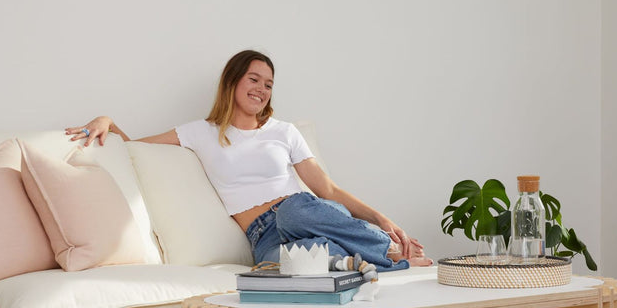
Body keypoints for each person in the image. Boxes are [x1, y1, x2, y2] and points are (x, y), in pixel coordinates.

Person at [66, 49, 431, 271]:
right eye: (254, 79)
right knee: (288, 266)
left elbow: (327, 189)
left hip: (300, 212)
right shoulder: (200, 132)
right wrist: (108, 122)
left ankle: (386, 250)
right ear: (233, 81)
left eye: (268, 84)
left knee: (294, 209)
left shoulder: (284, 131)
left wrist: (380, 218)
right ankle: (390, 265)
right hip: (262, 234)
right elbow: (134, 150)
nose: (261, 89)